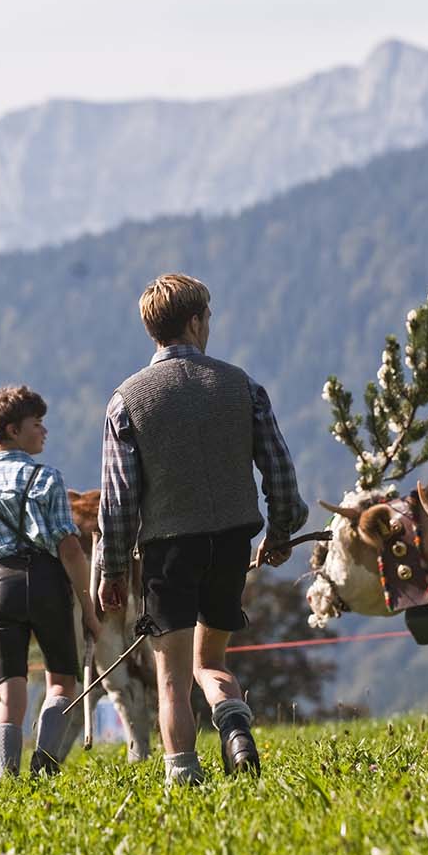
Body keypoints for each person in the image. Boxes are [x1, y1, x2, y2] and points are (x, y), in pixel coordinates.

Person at [96, 274, 306, 785]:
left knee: (171, 681)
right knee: (210, 660)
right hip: (232, 540)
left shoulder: (126, 401)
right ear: (194, 322)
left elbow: (119, 501)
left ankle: (183, 777)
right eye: (207, 317)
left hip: (168, 552)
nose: (209, 325)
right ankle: (234, 723)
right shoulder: (242, 386)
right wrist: (279, 531)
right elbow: (278, 470)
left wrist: (113, 569)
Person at [0, 385, 101, 778]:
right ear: (12, 430)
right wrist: (89, 610)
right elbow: (70, 550)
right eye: (36, 424)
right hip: (46, 584)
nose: (44, 431)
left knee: (9, 694)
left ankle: (8, 779)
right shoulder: (46, 478)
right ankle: (45, 763)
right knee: (61, 684)